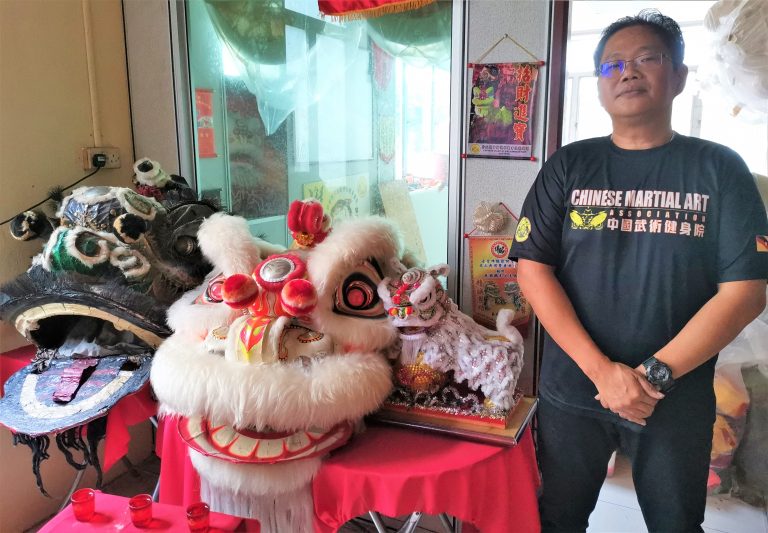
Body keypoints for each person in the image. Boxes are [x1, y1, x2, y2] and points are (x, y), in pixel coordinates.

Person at [510, 9, 768, 533]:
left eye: (647, 58)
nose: (627, 72)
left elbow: (745, 291)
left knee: (676, 524)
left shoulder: (720, 169)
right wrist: (603, 374)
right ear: (600, 86)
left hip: (673, 400)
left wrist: (651, 378)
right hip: (574, 393)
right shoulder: (568, 166)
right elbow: (533, 272)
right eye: (612, 65)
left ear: (679, 76)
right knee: (557, 519)